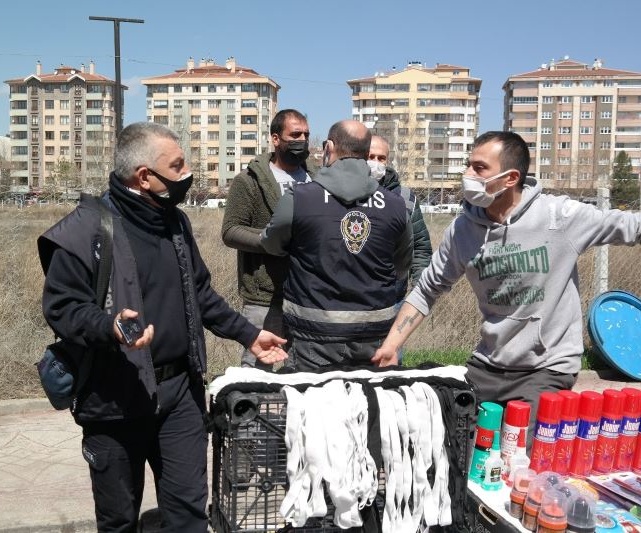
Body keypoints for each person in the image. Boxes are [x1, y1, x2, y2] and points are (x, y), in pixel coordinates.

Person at [38, 122, 287, 532]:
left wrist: (250, 334)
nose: (187, 173)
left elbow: (201, 295)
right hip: (114, 399)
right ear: (144, 177)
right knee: (119, 519)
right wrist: (109, 326)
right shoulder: (86, 229)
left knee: (189, 514)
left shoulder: (175, 224)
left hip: (179, 398)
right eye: (178, 165)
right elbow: (62, 308)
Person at [372, 130, 641, 441]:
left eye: (479, 168)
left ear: (510, 178)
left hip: (546, 368)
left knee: (518, 451)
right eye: (469, 165)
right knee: (458, 444)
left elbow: (636, 226)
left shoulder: (558, 216)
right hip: (489, 364)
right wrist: (392, 345)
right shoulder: (463, 230)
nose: (467, 174)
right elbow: (427, 289)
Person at [262, 120, 412, 370]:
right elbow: (402, 263)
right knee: (369, 406)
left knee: (315, 405)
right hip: (375, 334)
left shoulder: (299, 198)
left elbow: (272, 244)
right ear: (366, 154)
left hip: (314, 335)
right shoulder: (396, 205)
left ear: (329, 147)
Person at [221, 109, 311, 370]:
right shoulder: (250, 181)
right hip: (264, 296)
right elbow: (230, 230)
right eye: (295, 135)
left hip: (308, 294)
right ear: (275, 139)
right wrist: (268, 240)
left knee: (300, 370)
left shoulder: (317, 179)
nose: (302, 140)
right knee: (258, 369)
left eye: (306, 135)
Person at [368, 135, 432, 288]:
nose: (375, 162)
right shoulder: (346, 193)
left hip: (393, 295)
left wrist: (419, 290)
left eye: (381, 158)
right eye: (370, 157)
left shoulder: (405, 198)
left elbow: (420, 247)